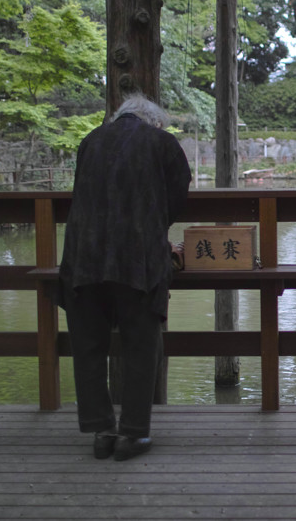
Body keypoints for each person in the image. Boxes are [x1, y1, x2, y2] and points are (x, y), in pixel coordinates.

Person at [59, 93, 191, 460]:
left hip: (83, 256)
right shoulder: (161, 142)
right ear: (153, 121)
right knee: (141, 342)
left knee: (88, 345)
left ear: (119, 116)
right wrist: (155, 230)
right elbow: (178, 193)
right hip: (136, 258)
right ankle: (133, 433)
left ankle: (101, 431)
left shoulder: (90, 140)